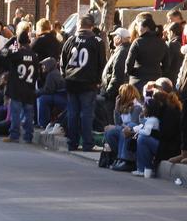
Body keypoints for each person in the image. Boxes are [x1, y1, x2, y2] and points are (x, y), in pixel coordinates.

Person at [61, 15, 106, 151]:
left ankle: (72, 142)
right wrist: (98, 81)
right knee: (86, 114)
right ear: (91, 26)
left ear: (79, 25)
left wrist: (65, 75)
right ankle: (87, 143)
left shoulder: (70, 40)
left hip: (71, 81)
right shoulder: (97, 41)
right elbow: (101, 63)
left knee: (73, 113)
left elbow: (63, 62)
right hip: (88, 82)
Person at [2, 31, 39, 143]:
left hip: (17, 88)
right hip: (29, 88)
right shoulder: (34, 56)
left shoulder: (16, 54)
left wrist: (10, 42)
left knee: (16, 113)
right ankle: (28, 136)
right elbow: (37, 73)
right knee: (29, 114)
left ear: (19, 42)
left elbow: (3, 53)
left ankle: (14, 135)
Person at [105, 84, 143, 172]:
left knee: (125, 130)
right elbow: (118, 123)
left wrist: (117, 127)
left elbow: (133, 125)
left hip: (134, 133)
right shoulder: (124, 106)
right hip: (124, 129)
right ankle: (115, 157)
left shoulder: (137, 107)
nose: (119, 96)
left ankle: (126, 160)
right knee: (109, 132)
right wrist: (116, 108)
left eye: (121, 93)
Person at [125, 14, 168, 89]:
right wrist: (158, 72)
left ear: (146, 28)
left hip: (137, 81)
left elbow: (129, 63)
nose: (137, 29)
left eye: (139, 26)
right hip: (156, 82)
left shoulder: (138, 42)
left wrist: (131, 73)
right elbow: (167, 64)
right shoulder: (162, 42)